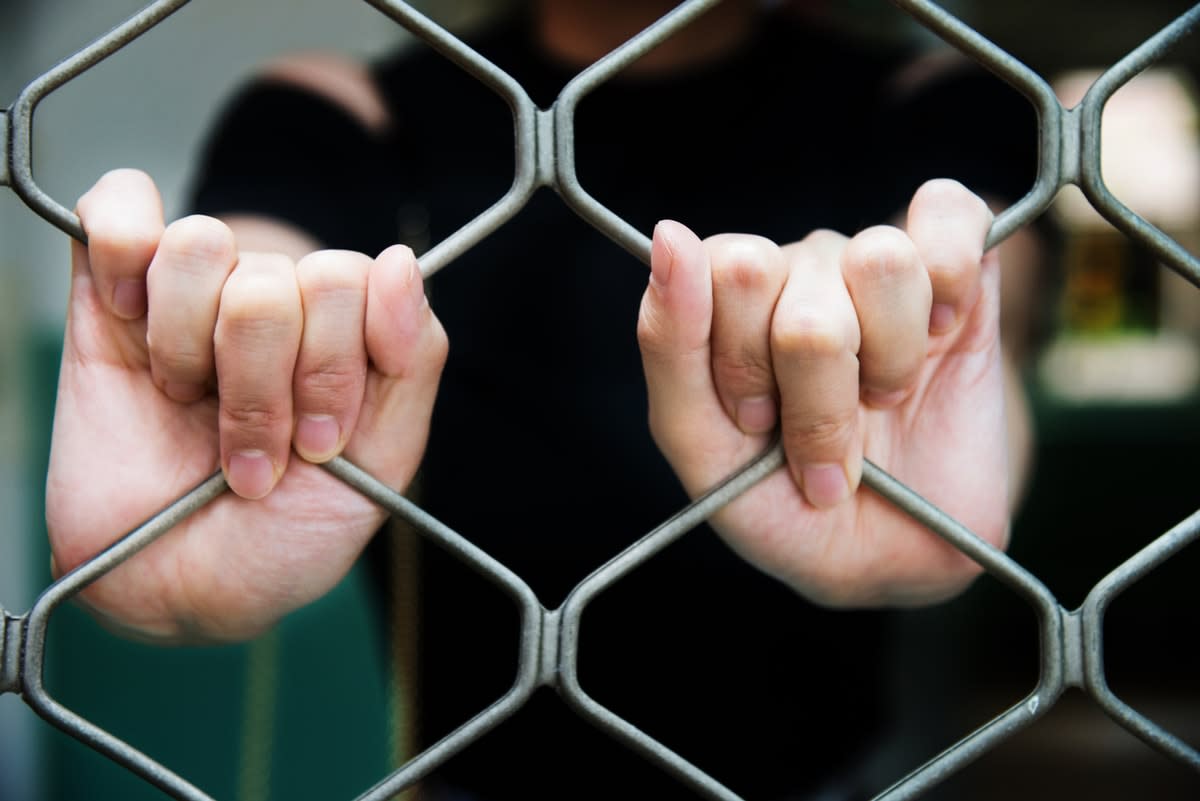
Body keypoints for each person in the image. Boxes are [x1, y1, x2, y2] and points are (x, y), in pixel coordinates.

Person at [45, 0, 1038, 798]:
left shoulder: (926, 95)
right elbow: (269, 247)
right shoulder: (347, 103)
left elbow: (982, 295)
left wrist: (932, 405)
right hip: (464, 772)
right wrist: (230, 363)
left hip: (838, 773)